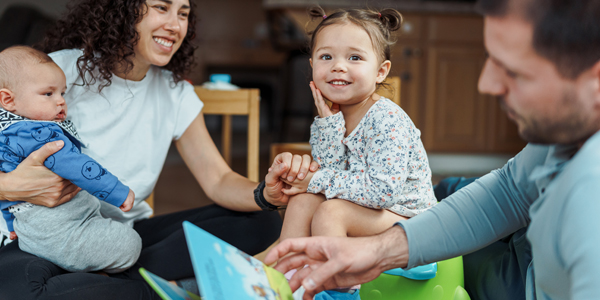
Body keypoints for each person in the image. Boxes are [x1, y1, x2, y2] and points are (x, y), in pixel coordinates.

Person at [265, 0, 600, 299]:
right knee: (449, 187)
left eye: (513, 69)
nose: (486, 84)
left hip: (520, 276)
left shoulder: (587, 193)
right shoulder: (565, 142)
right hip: (517, 219)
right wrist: (382, 249)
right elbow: (510, 191)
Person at [0, 0, 315, 299]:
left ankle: (100, 284)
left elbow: (218, 179)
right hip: (42, 235)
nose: (174, 24)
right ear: (123, 10)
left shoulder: (176, 92)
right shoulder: (58, 71)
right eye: (162, 8)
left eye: (183, 13)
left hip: (122, 233)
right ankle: (159, 290)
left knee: (261, 220)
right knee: (17, 290)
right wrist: (9, 186)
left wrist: (265, 195)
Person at [279, 7, 435, 252]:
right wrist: (329, 126)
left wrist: (316, 179)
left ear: (380, 72)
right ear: (312, 65)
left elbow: (381, 193)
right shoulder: (330, 118)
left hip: (408, 220)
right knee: (303, 201)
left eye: (354, 58)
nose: (338, 66)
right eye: (326, 57)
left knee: (332, 212)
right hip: (370, 210)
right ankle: (284, 276)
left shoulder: (386, 119)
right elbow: (333, 177)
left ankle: (338, 289)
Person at [0, 45, 140, 273]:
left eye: (62, 93)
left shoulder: (6, 135)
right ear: (8, 100)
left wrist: (11, 224)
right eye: (48, 94)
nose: (61, 101)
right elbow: (79, 167)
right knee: (131, 244)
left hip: (34, 232)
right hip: (60, 230)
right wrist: (118, 191)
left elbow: (9, 200)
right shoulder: (38, 133)